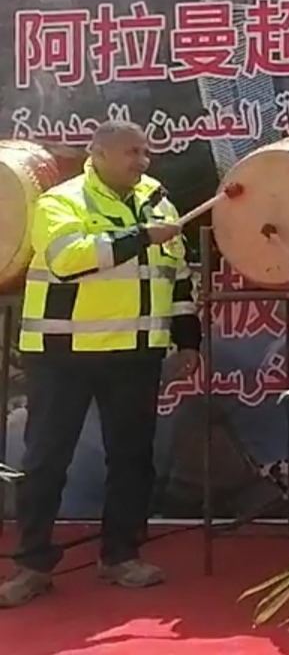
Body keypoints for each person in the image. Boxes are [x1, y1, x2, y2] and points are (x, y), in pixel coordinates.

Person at [0, 121, 200, 609]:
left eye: (145, 152)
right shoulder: (62, 201)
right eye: (131, 152)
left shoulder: (158, 201)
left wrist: (187, 340)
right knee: (47, 460)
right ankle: (32, 566)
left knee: (132, 459)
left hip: (135, 354)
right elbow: (68, 259)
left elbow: (175, 277)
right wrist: (141, 236)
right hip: (63, 353)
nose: (142, 161)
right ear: (99, 154)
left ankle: (121, 555)